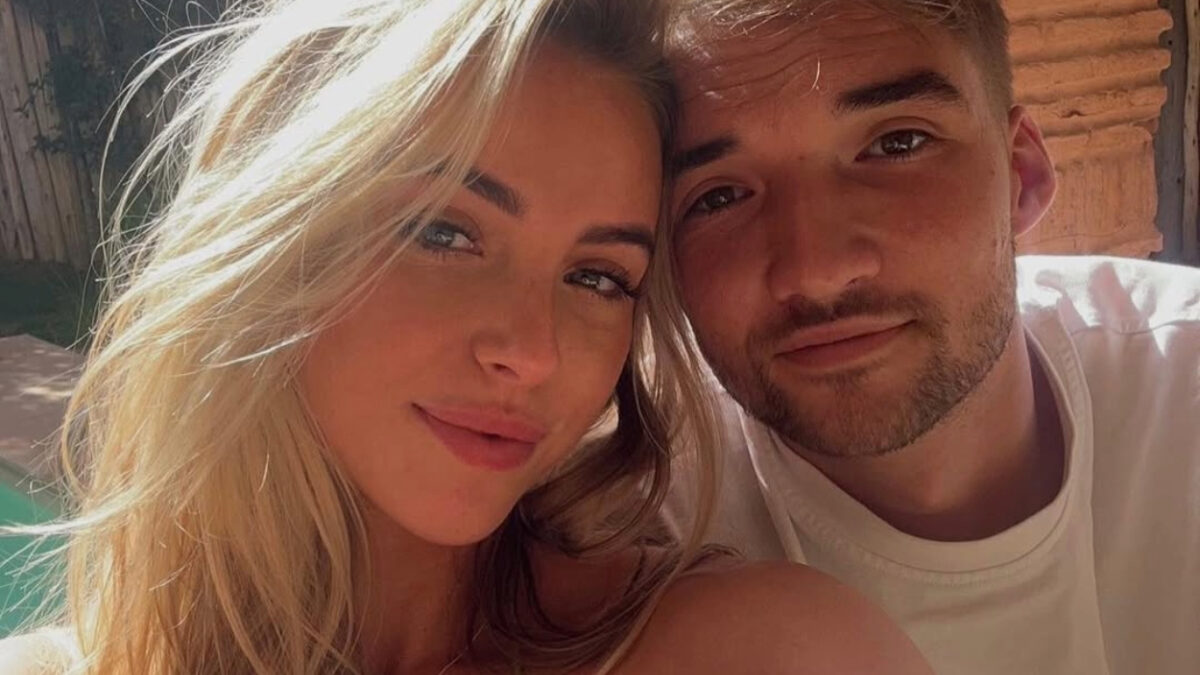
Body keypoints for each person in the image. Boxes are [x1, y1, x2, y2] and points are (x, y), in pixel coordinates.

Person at [0, 1, 933, 673]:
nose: (534, 352)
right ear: (275, 233)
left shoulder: (766, 649)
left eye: (597, 276)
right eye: (445, 232)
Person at [662, 0, 1200, 673]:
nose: (815, 272)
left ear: (1022, 174)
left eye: (897, 144)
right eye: (718, 196)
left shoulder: (1184, 386)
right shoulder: (629, 533)